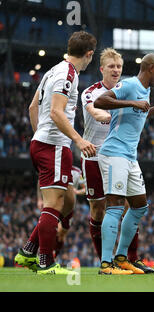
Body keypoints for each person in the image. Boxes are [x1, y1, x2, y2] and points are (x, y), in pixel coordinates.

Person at [14, 31, 97, 275]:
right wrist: (78, 139)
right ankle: (45, 263)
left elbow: (33, 107)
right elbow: (56, 112)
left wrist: (39, 135)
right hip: (54, 146)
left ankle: (28, 251)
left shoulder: (52, 71)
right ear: (89, 54)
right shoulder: (68, 74)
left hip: (43, 143)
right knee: (54, 204)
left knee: (68, 200)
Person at [81, 48, 154, 274]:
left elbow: (141, 113)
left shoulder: (146, 91)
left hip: (129, 156)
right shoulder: (129, 85)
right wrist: (131, 103)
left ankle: (121, 257)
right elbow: (100, 102)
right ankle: (106, 264)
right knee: (115, 206)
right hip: (113, 153)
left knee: (139, 206)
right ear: (151, 69)